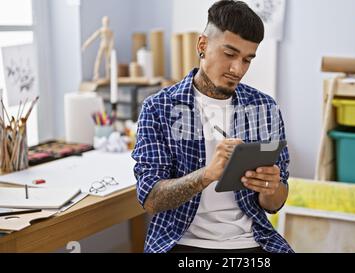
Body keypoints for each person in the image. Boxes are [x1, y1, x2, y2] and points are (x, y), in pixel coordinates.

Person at [132, 0, 293, 253]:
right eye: (229, 54)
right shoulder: (159, 108)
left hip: (252, 241)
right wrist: (207, 174)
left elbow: (275, 203)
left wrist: (270, 188)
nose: (237, 69)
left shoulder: (264, 108)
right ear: (203, 45)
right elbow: (151, 199)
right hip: (182, 242)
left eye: (247, 59)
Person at [81, 16, 114, 81]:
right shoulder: (101, 30)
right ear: (102, 22)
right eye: (105, 21)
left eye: (107, 21)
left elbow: (112, 41)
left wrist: (111, 48)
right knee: (98, 59)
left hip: (107, 47)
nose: (106, 23)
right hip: (102, 45)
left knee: (108, 61)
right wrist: (85, 45)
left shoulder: (110, 31)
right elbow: (93, 37)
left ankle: (108, 75)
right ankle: (96, 74)